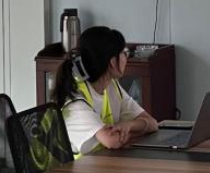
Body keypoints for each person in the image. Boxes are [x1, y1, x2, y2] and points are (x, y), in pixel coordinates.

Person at [54, 26, 157, 156]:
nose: (127, 58)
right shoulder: (75, 100)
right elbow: (112, 141)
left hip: (102, 163)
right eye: (124, 53)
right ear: (113, 62)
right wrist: (136, 129)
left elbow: (152, 123)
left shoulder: (111, 86)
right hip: (71, 169)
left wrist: (128, 126)